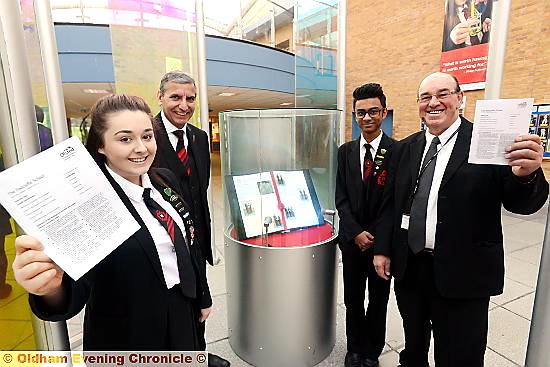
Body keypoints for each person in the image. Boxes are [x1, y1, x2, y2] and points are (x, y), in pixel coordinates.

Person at [373, 72, 548, 367]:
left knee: (459, 355)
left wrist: (526, 175)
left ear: (460, 98)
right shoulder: (403, 149)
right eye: (426, 97)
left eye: (443, 94)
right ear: (418, 103)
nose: (434, 103)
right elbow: (390, 205)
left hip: (464, 273)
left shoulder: (488, 142)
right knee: (413, 345)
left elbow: (523, 203)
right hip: (411, 269)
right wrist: (382, 248)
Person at [12, 94, 212, 350]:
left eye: (147, 136)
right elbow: (72, 293)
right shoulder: (87, 204)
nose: (141, 147)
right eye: (125, 139)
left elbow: (188, 243)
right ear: (101, 146)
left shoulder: (165, 180)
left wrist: (201, 297)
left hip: (183, 314)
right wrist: (50, 288)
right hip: (128, 334)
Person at [153, 71, 229, 367]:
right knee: (172, 311)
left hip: (196, 240)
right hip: (166, 245)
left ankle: (197, 353)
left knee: (200, 305)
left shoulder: (198, 138)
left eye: (190, 98)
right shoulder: (147, 136)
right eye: (175, 97)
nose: (184, 105)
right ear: (160, 97)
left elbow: (200, 191)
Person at [335, 83, 395, 367]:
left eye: (373, 111)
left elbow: (394, 203)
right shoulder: (345, 152)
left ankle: (372, 351)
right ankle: (355, 348)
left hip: (382, 245)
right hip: (352, 241)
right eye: (361, 113)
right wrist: (355, 232)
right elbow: (341, 198)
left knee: (379, 300)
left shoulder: (397, 151)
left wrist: (378, 240)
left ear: (383, 112)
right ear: (354, 115)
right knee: (353, 299)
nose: (367, 118)